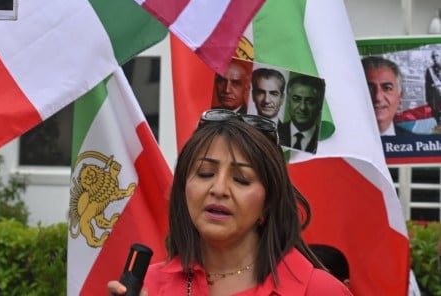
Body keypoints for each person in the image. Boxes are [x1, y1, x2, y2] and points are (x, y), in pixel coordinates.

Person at [106, 109, 351, 295]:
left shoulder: (317, 289)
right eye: (205, 174)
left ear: (269, 200)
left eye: (241, 179)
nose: (219, 189)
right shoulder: (150, 285)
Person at [278, 73, 324, 153]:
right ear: (288, 101)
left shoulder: (324, 140)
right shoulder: (274, 133)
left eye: (310, 101)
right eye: (296, 99)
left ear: (320, 105)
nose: (303, 107)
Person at [362, 56, 402, 135]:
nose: (378, 97)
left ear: (400, 97)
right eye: (368, 88)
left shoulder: (418, 142)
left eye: (387, 88)